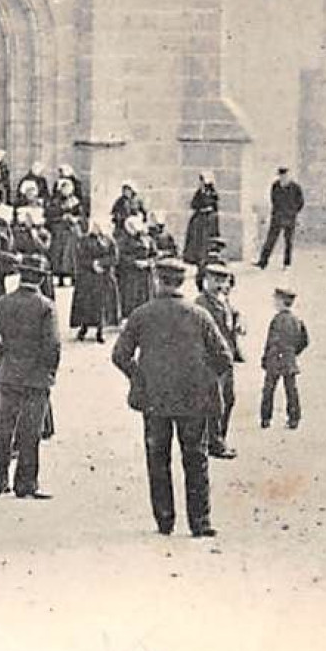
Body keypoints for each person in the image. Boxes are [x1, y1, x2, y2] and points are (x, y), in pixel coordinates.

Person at [111, 259, 234, 537]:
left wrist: (139, 376)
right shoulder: (199, 315)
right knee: (196, 459)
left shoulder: (141, 314)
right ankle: (200, 522)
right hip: (194, 401)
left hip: (155, 400)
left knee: (158, 459)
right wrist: (202, 380)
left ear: (157, 280)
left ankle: (165, 521)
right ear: (182, 282)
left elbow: (119, 356)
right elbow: (224, 358)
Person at [0, 254, 60, 499]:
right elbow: (53, 345)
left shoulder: (4, 302)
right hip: (36, 377)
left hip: (8, 373)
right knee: (30, 432)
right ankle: (26, 483)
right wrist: (50, 371)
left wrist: (3, 350)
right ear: (40, 278)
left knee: (4, 428)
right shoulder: (46, 306)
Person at [195, 262, 243, 459]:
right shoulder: (201, 304)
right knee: (216, 402)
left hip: (227, 357)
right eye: (214, 280)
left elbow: (234, 314)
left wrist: (239, 321)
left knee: (228, 399)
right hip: (211, 360)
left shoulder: (223, 300)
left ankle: (218, 438)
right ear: (205, 281)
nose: (219, 284)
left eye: (222, 280)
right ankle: (214, 442)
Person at [260, 286, 310, 429]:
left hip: (275, 358)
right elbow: (304, 341)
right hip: (288, 358)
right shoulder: (297, 320)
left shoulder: (277, 320)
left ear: (281, 302)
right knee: (291, 390)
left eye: (276, 300)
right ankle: (294, 418)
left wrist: (265, 357)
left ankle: (266, 418)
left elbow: (271, 341)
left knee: (269, 389)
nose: (274, 302)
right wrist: (294, 352)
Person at [71, 221, 120, 343]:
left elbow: (114, 257)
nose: (96, 228)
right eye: (94, 225)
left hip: (104, 276)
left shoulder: (109, 241)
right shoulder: (84, 240)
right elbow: (80, 257)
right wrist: (91, 264)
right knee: (86, 304)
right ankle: (84, 327)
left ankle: (100, 329)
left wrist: (101, 263)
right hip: (88, 277)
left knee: (102, 305)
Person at [256, 167, 305, 269]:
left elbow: (300, 202)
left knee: (288, 241)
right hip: (277, 217)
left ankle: (287, 264)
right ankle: (263, 262)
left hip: (290, 218)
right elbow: (273, 199)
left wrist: (293, 212)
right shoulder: (275, 186)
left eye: (285, 176)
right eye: (281, 176)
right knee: (270, 240)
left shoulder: (296, 188)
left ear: (289, 176)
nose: (283, 178)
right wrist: (277, 211)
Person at [117, 216, 156, 316]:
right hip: (130, 274)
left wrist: (149, 262)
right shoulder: (123, 240)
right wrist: (134, 262)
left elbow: (154, 254)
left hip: (145, 273)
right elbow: (120, 256)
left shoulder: (148, 239)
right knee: (130, 297)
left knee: (145, 296)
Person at [182, 174, 221, 267]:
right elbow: (193, 204)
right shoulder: (199, 193)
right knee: (197, 238)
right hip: (200, 219)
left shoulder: (213, 193)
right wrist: (201, 209)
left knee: (207, 239)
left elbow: (215, 206)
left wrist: (210, 211)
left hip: (208, 220)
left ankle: (207, 257)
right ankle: (195, 257)